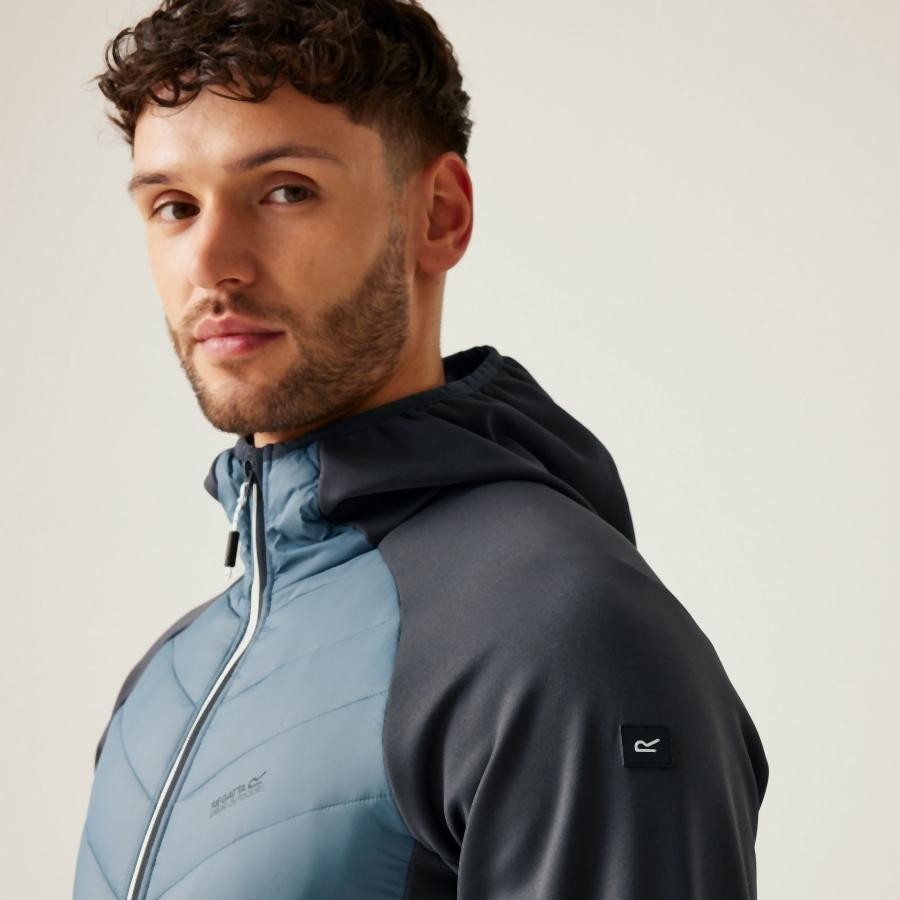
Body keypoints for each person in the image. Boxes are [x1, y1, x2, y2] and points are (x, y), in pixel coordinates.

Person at [74, 1, 769, 897]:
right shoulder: (165, 685)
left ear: (439, 215)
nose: (211, 262)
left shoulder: (556, 633)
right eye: (173, 206)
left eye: (285, 191)